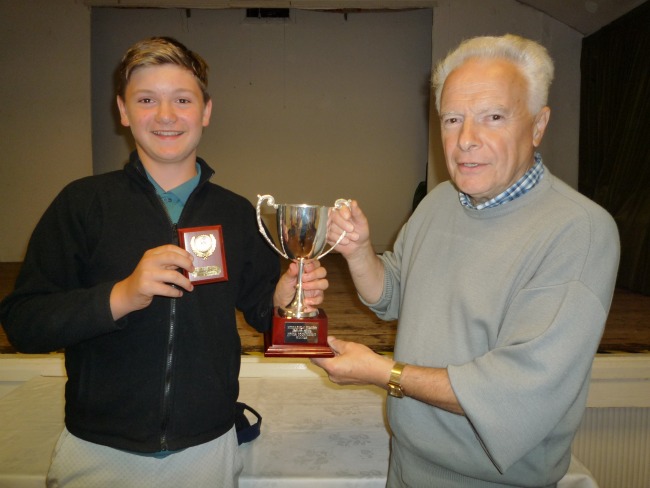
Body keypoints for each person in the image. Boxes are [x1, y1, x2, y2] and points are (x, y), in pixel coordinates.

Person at [0, 37, 327, 487]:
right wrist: (121, 296)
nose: (166, 115)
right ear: (123, 110)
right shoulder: (83, 204)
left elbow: (264, 315)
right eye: (147, 99)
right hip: (98, 447)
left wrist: (284, 299)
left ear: (206, 111)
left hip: (207, 445)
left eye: (182, 99)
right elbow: (24, 322)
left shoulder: (235, 214)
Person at [312, 34, 620, 487]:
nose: (466, 141)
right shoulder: (441, 201)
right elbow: (395, 293)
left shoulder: (579, 231)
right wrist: (360, 253)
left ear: (538, 125)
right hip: (406, 465)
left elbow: (517, 389)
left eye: (493, 117)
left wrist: (385, 373)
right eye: (452, 119)